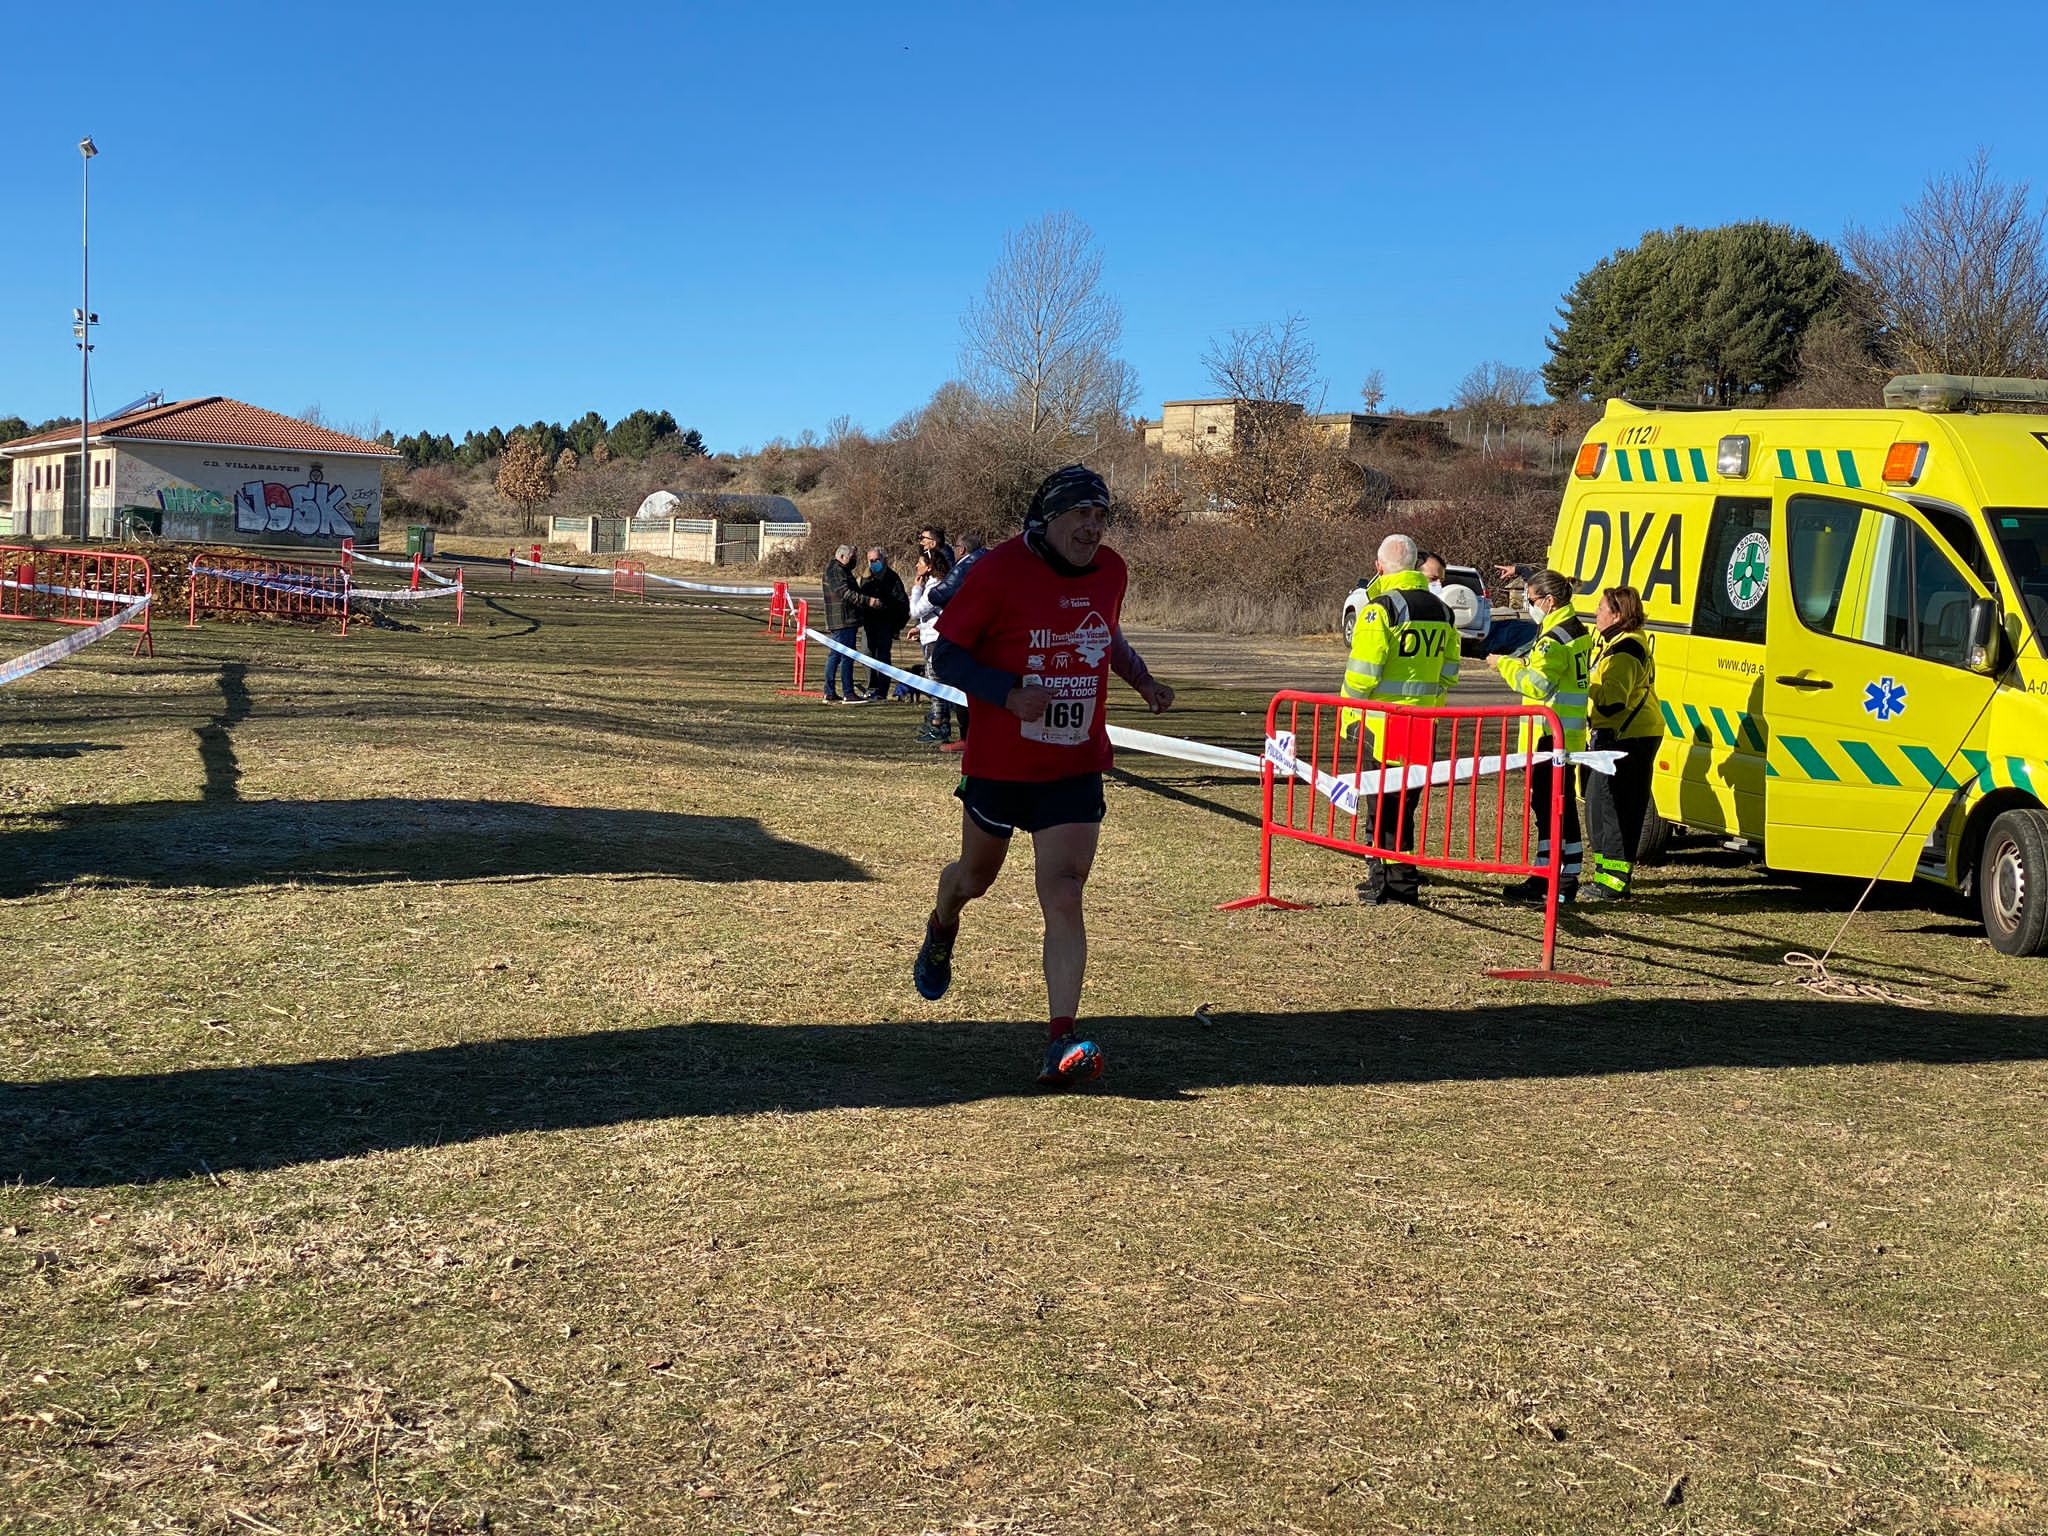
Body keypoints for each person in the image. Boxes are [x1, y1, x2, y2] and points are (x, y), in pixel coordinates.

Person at [913, 466, 1174, 1089]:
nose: (1093, 527)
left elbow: (1104, 634)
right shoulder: (997, 570)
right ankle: (942, 922)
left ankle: (1061, 1038)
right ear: (1047, 519)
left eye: (1101, 516)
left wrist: (1142, 682)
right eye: (1081, 514)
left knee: (1063, 889)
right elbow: (944, 653)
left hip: (1073, 760)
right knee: (974, 879)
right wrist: (1005, 693)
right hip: (1001, 764)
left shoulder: (1111, 571)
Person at [1338, 533, 1460, 904]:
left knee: (1385, 806)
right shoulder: (1443, 612)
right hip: (1423, 722)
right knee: (1405, 805)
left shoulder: (1381, 609)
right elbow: (1449, 671)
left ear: (1379, 566)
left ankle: (1394, 882)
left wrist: (1347, 713)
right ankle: (1392, 876)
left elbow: (1362, 676)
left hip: (1383, 722)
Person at [1486, 569, 1592, 902]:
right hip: (1567, 733)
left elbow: (1537, 683)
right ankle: (1557, 874)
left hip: (1551, 735)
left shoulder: (1554, 638)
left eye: (1531, 600)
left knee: (1551, 810)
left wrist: (1505, 665)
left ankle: (1554, 879)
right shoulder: (1575, 630)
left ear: (1549, 600)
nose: (1529, 606)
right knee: (1557, 809)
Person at [1582, 586, 1661, 901]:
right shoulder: (1617, 644)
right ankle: (1605, 876)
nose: (1596, 613)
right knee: (1600, 805)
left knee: (1616, 807)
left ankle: (1614, 884)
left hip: (1628, 736)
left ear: (1618, 614)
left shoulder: (1625, 650)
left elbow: (1614, 701)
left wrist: (1585, 687)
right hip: (1618, 735)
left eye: (1601, 608)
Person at [909, 545, 957, 743]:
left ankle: (939, 723)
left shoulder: (934, 587)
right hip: (930, 635)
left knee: (934, 683)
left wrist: (916, 588)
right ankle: (939, 719)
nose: (916, 565)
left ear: (929, 567)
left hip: (935, 641)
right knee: (935, 682)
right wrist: (919, 629)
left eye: (919, 563)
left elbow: (915, 611)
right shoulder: (939, 584)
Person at [854, 547, 909, 701]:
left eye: (876, 560)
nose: (873, 563)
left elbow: (902, 604)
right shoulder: (865, 577)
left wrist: (897, 626)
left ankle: (882, 690)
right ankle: (872, 686)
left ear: (884, 560)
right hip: (868, 623)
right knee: (867, 653)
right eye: (870, 561)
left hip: (886, 623)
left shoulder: (893, 578)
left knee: (883, 657)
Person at [819, 544, 862, 705]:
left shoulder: (839, 570)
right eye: (852, 558)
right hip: (843, 620)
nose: (854, 561)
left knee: (835, 656)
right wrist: (866, 601)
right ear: (842, 557)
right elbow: (845, 593)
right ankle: (848, 692)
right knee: (846, 656)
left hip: (844, 619)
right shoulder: (836, 570)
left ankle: (829, 692)